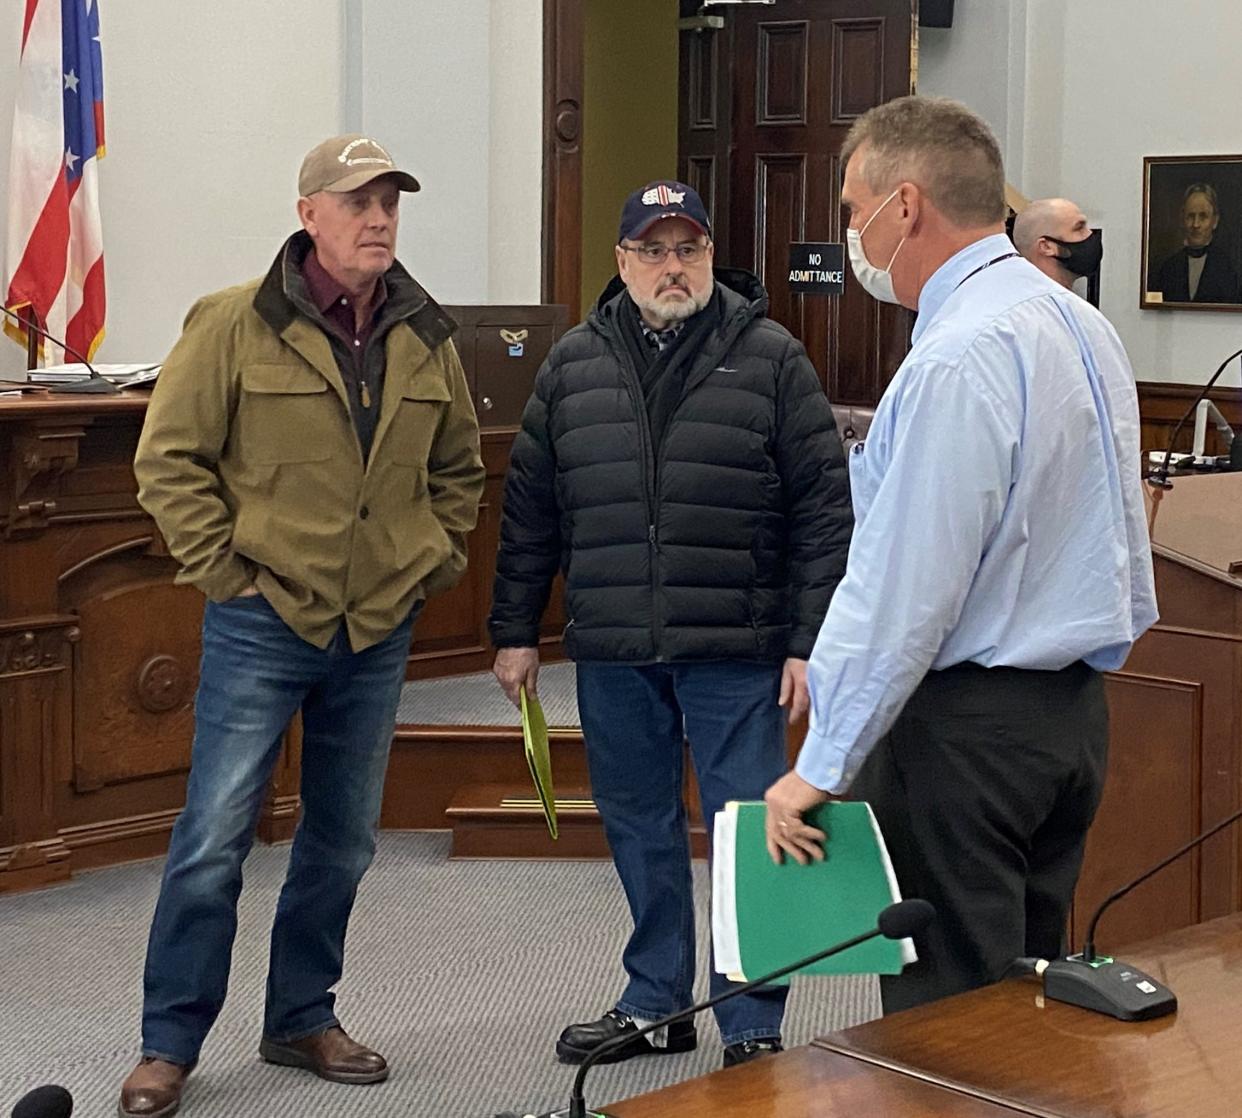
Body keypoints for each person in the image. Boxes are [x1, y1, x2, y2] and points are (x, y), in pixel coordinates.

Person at [764, 96, 1157, 1014]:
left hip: (967, 734)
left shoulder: (960, 355)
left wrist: (819, 764)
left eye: (855, 210)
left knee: (948, 1018)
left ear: (905, 208)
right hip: (1068, 720)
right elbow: (1121, 546)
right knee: (1026, 1002)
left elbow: (908, 588)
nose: (850, 236)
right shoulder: (1078, 325)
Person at [119, 134, 484, 1117]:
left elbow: (459, 471)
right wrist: (226, 574)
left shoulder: (425, 334)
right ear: (308, 212)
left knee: (343, 837)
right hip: (263, 617)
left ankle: (301, 1013)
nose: (378, 220)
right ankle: (169, 1040)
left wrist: (430, 561)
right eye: (357, 201)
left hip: (376, 626)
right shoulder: (236, 321)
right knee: (213, 838)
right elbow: (170, 461)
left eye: (390, 204)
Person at [489, 180, 851, 1067]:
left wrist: (812, 638)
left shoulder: (771, 357)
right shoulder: (573, 362)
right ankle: (656, 998)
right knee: (638, 823)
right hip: (613, 643)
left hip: (740, 645)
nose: (672, 266)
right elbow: (531, 508)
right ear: (622, 264)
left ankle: (752, 1019)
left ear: (709, 255)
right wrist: (513, 628)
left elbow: (822, 511)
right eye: (652, 250)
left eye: (687, 248)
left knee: (746, 829)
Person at [1155, 182, 1240, 303]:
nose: (1196, 224)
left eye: (1203, 216)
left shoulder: (1229, 268)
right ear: (1182, 219)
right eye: (1190, 216)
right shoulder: (1168, 268)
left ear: (1215, 221)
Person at [1012, 197, 1102, 289]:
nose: (1090, 234)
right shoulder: (1029, 301)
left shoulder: (1064, 301)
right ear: (1046, 246)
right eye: (1079, 228)